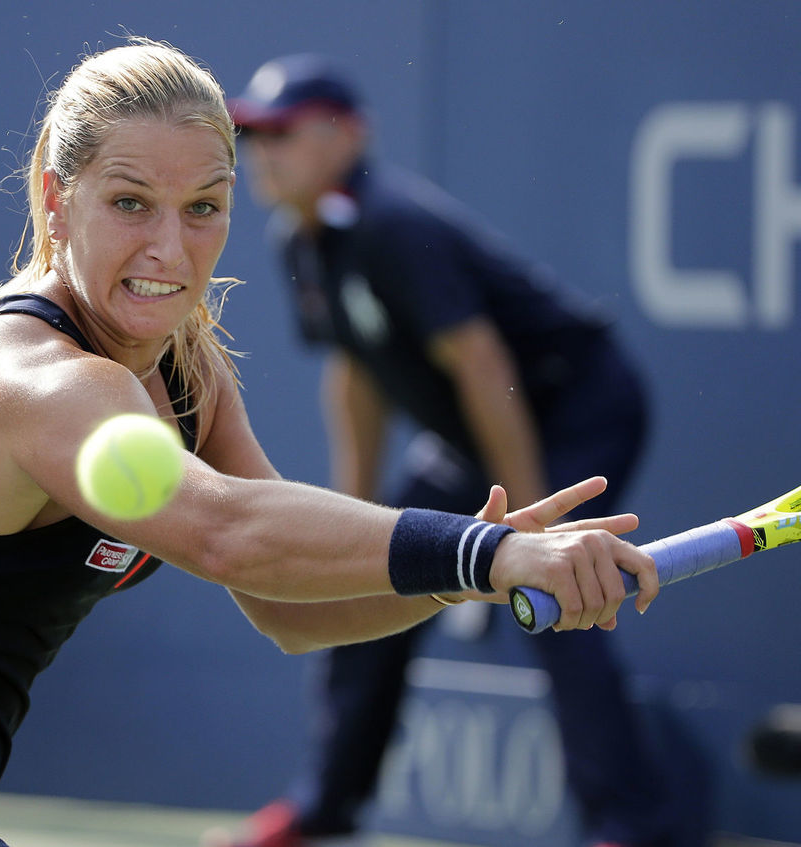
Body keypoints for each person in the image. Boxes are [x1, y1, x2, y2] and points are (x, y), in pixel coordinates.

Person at [0, 38, 659, 847]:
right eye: (130, 202)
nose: (170, 251)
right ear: (57, 201)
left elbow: (284, 605)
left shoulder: (187, 372)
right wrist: (488, 549)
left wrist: (467, 579)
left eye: (205, 208)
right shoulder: (35, 379)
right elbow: (228, 532)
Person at [216, 54, 678, 847]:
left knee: (559, 588)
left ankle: (630, 825)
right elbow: (356, 373)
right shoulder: (303, 240)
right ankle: (326, 804)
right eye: (255, 135)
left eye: (283, 132)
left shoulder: (393, 224)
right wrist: (351, 520)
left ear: (345, 135)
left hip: (575, 407)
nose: (264, 151)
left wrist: (532, 523)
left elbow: (481, 362)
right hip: (476, 429)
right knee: (378, 575)